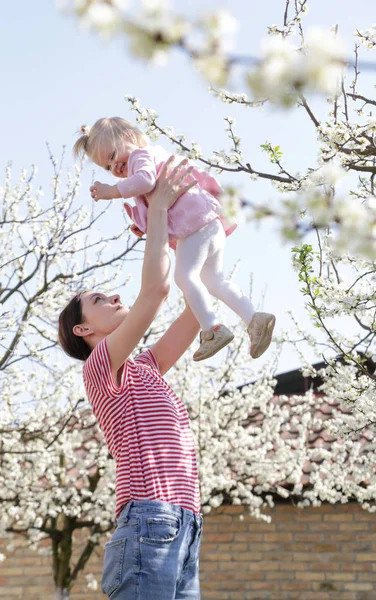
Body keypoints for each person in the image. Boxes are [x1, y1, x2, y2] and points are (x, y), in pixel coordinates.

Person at [58, 157, 207, 599]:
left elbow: (195, 313)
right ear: (83, 330)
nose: (114, 295)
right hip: (150, 520)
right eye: (100, 299)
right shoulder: (101, 366)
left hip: (186, 523)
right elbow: (155, 292)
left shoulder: (142, 366)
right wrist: (157, 208)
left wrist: (196, 240)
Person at [73, 117, 276, 362]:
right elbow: (153, 196)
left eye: (114, 155)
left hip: (195, 225)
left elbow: (146, 181)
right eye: (108, 166)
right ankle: (254, 318)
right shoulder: (142, 162)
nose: (115, 167)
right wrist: (142, 225)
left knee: (184, 276)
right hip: (207, 222)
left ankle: (212, 329)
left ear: (128, 137)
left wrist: (113, 191)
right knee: (213, 280)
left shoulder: (140, 156)